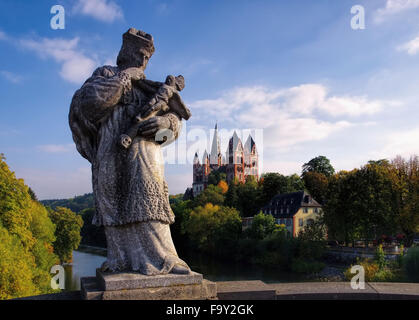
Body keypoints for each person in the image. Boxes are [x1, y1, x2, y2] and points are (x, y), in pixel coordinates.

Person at [69, 28, 190, 275]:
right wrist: (124, 78)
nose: (143, 62)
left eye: (147, 58)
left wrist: (166, 124)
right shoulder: (105, 74)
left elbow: (175, 119)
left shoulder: (149, 87)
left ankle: (164, 259)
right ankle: (121, 261)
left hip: (146, 154)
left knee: (150, 200)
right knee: (115, 204)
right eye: (140, 55)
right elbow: (89, 104)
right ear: (125, 53)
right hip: (112, 152)